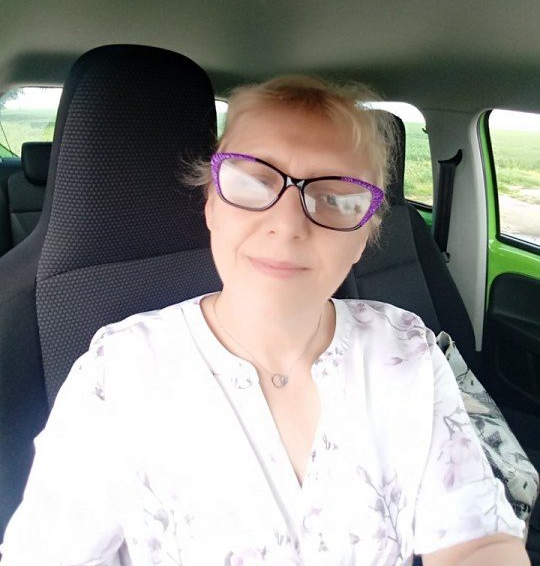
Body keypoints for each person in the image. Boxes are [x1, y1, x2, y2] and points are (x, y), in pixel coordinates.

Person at [0, 75, 530, 565]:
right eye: (252, 182)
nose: (287, 224)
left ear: (363, 238)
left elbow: (477, 541)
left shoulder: (408, 350)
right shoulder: (118, 372)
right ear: (211, 204)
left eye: (335, 197)